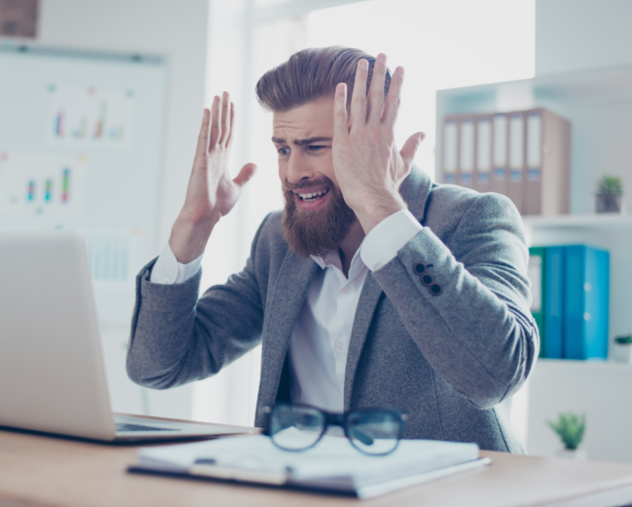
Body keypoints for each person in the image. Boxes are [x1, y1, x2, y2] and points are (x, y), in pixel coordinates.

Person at [126, 46, 537, 453]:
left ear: (377, 141)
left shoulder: (474, 218)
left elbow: (496, 375)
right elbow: (157, 366)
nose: (293, 172)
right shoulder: (279, 240)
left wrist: (381, 207)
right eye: (283, 149)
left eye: (316, 147)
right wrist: (193, 225)